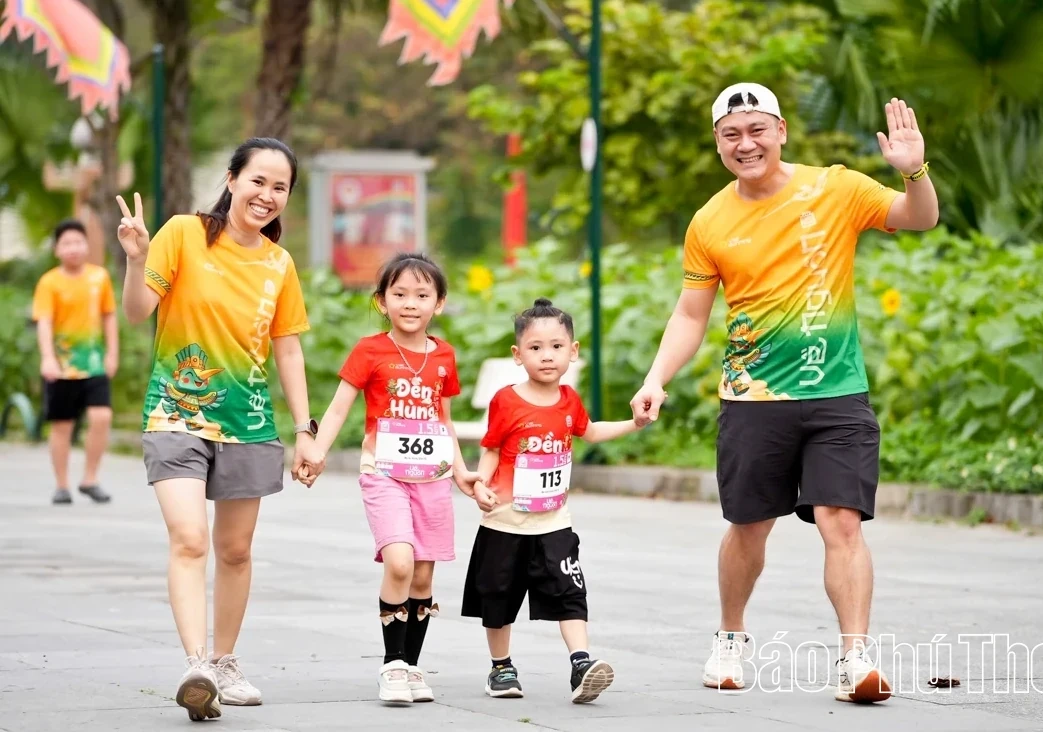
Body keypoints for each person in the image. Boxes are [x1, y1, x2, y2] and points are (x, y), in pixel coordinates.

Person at [629, 84, 939, 704]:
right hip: (753, 398)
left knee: (841, 522)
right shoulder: (709, 221)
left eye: (757, 130)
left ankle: (855, 658)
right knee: (749, 527)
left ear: (781, 132)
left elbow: (919, 217)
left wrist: (914, 173)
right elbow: (691, 314)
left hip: (837, 393)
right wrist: (655, 378)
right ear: (718, 143)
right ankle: (730, 639)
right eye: (732, 135)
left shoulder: (837, 188)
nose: (746, 144)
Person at [116, 138, 320, 721]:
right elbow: (137, 312)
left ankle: (226, 662)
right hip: (176, 413)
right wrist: (136, 259)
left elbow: (288, 350)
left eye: (280, 187)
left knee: (235, 550)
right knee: (190, 538)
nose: (267, 195)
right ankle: (197, 665)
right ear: (231, 180)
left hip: (248, 422)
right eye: (257, 180)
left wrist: (305, 429)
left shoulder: (279, 265)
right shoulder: (184, 233)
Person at [297, 252, 479, 705]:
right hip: (383, 473)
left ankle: (412, 667)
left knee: (423, 575)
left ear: (439, 303)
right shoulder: (370, 350)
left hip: (433, 477)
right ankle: (392, 664)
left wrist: (461, 472)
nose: (410, 303)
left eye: (422, 295)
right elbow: (339, 407)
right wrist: (316, 451)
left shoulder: (444, 355)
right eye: (399, 294)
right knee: (399, 562)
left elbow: (444, 419)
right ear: (382, 301)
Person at [461, 298, 647, 704]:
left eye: (557, 346)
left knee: (569, 591)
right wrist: (480, 484)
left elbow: (591, 431)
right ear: (518, 354)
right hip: (505, 521)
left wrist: (635, 423)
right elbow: (492, 447)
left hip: (554, 522)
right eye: (536, 347)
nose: (547, 356)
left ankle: (581, 663)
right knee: (498, 596)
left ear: (573, 351)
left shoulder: (568, 400)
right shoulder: (506, 400)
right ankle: (501, 667)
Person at [32, 219, 117, 505]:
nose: (73, 248)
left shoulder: (99, 277)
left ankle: (90, 479)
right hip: (61, 367)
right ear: (57, 249)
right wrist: (47, 358)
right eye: (66, 243)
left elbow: (109, 316)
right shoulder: (49, 282)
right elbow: (44, 322)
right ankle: (62, 485)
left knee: (101, 417)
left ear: (86, 245)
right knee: (62, 425)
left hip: (94, 363)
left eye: (78, 242)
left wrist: (112, 354)